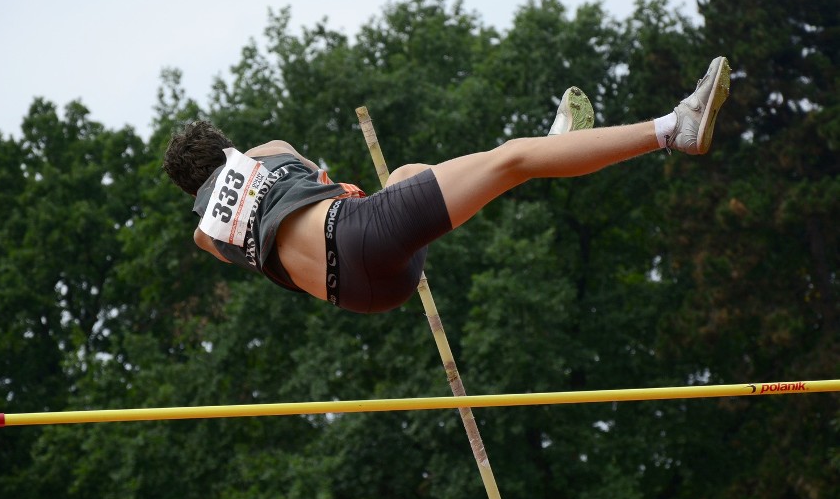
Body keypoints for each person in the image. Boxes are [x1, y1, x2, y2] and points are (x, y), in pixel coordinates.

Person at [163, 56, 730, 314]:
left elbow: (221, 229)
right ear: (226, 150)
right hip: (361, 234)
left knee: (409, 175)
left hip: (371, 293)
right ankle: (672, 129)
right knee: (511, 160)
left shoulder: (207, 234)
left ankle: (551, 147)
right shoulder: (268, 153)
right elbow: (292, 166)